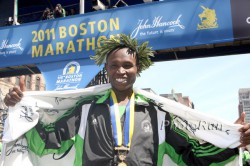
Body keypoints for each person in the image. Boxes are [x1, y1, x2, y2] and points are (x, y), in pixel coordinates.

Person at [3, 34, 250, 165]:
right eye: (114, 66)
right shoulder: (86, 110)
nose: (121, 71)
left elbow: (191, 154)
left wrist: (230, 141)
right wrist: (23, 110)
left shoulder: (157, 114)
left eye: (127, 65)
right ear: (107, 69)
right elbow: (48, 141)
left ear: (138, 68)